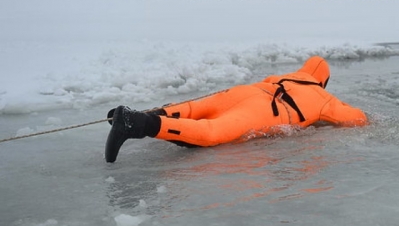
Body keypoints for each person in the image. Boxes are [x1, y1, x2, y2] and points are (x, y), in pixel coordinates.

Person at [104, 56, 368, 162]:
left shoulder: (285, 75)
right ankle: (135, 123)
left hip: (246, 91)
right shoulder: (323, 96)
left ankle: (138, 113)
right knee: (211, 132)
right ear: (324, 79)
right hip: (270, 109)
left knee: (191, 108)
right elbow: (355, 119)